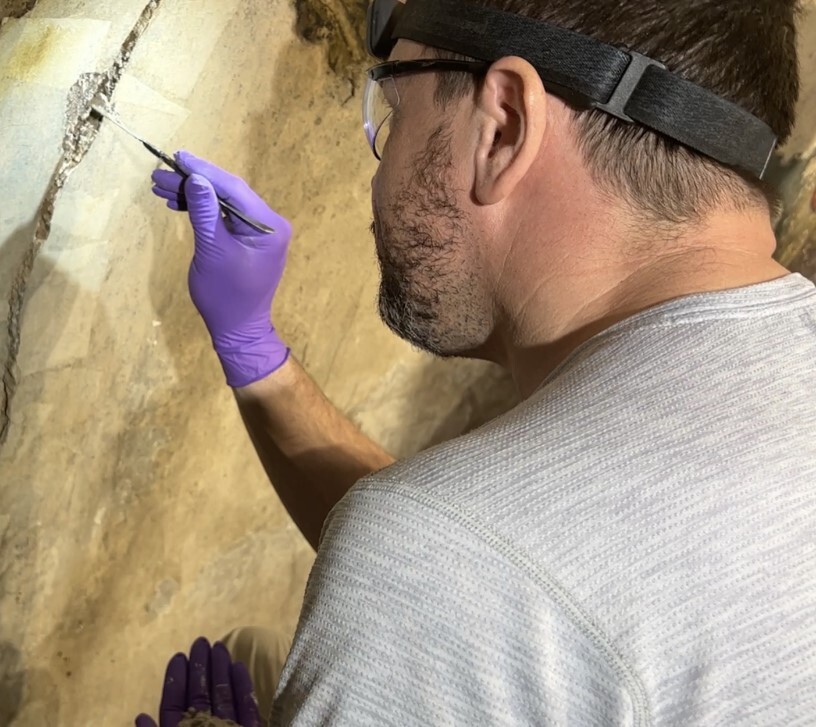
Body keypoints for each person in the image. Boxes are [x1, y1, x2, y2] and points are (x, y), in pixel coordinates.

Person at [148, 0, 816, 724]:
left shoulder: (454, 573)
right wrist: (254, 352)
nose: (378, 176)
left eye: (397, 109)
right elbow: (507, 568)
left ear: (502, 128)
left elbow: (471, 574)